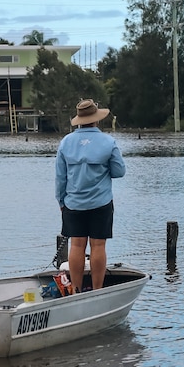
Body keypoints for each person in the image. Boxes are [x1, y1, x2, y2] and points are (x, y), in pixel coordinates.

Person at [55, 99, 126, 293]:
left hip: (73, 202)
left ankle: (76, 289)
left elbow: (60, 178)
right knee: (98, 245)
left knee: (77, 245)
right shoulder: (108, 142)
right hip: (101, 202)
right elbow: (119, 171)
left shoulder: (66, 143)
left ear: (78, 120)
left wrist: (61, 201)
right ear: (96, 119)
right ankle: (97, 290)